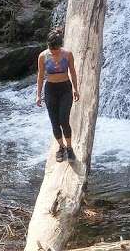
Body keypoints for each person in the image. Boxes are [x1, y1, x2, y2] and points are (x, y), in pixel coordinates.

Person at [36, 29, 80, 163]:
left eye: (56, 50)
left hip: (65, 89)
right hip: (50, 90)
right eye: (51, 49)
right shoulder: (43, 56)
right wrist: (38, 95)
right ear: (48, 46)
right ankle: (61, 147)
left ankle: (69, 148)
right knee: (54, 122)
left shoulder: (67, 55)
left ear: (60, 46)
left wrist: (75, 89)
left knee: (64, 121)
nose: (53, 52)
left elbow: (72, 72)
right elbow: (40, 76)